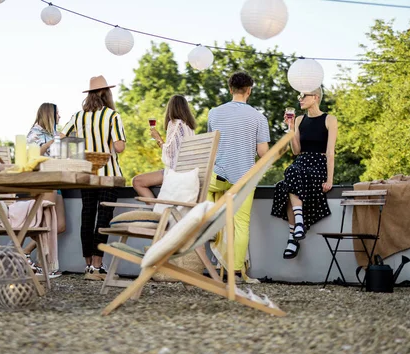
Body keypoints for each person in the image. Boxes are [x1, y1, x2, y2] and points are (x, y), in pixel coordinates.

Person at [206, 71, 270, 283]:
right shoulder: (258, 117)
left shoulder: (214, 113)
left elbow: (210, 147)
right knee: (241, 224)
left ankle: (210, 223)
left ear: (231, 89)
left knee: (206, 192)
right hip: (243, 178)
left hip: (217, 177)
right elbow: (263, 153)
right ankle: (235, 273)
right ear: (249, 90)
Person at [62, 76, 126, 280]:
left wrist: (79, 150)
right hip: (108, 174)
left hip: (86, 173)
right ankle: (98, 267)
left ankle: (88, 265)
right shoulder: (112, 116)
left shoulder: (78, 116)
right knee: (104, 216)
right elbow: (119, 147)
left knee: (87, 215)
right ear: (106, 93)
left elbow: (61, 137)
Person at [271, 87, 337, 259]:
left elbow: (330, 152)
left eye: (303, 95)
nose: (299, 98)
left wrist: (329, 179)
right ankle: (298, 225)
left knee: (290, 177)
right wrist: (291, 128)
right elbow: (296, 151)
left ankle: (293, 237)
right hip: (301, 164)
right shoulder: (299, 119)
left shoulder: (329, 119)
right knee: (286, 181)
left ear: (315, 97)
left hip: (318, 165)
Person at [25, 103, 66, 278]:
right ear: (50, 114)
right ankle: (43, 265)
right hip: (42, 180)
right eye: (58, 114)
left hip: (55, 180)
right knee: (46, 224)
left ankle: (24, 252)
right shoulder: (35, 133)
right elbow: (34, 155)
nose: (60, 117)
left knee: (60, 226)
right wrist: (54, 141)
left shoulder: (53, 133)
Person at [132, 95, 196, 198]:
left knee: (137, 181)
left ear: (170, 109)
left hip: (176, 173)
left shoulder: (175, 123)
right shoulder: (189, 126)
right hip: (188, 173)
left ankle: (155, 211)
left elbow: (169, 153)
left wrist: (157, 138)